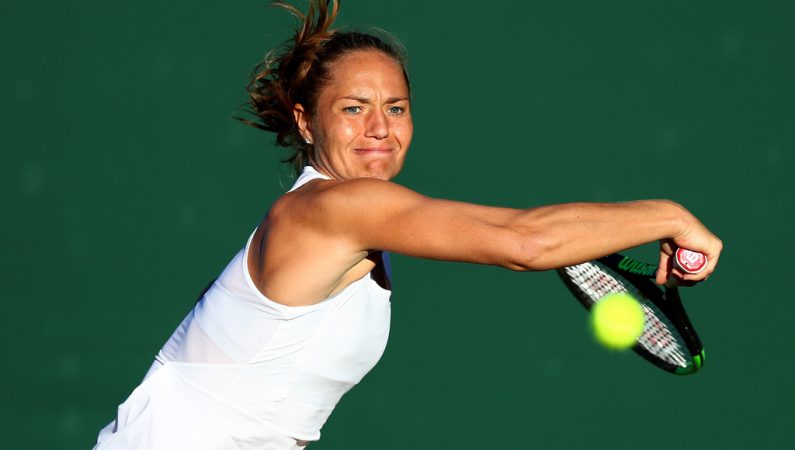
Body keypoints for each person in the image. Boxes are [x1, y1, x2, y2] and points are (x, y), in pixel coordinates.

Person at [93, 1, 722, 449]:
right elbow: (525, 242)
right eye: (353, 108)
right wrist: (671, 216)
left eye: (395, 108)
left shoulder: (351, 219)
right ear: (306, 122)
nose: (379, 128)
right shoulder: (333, 209)